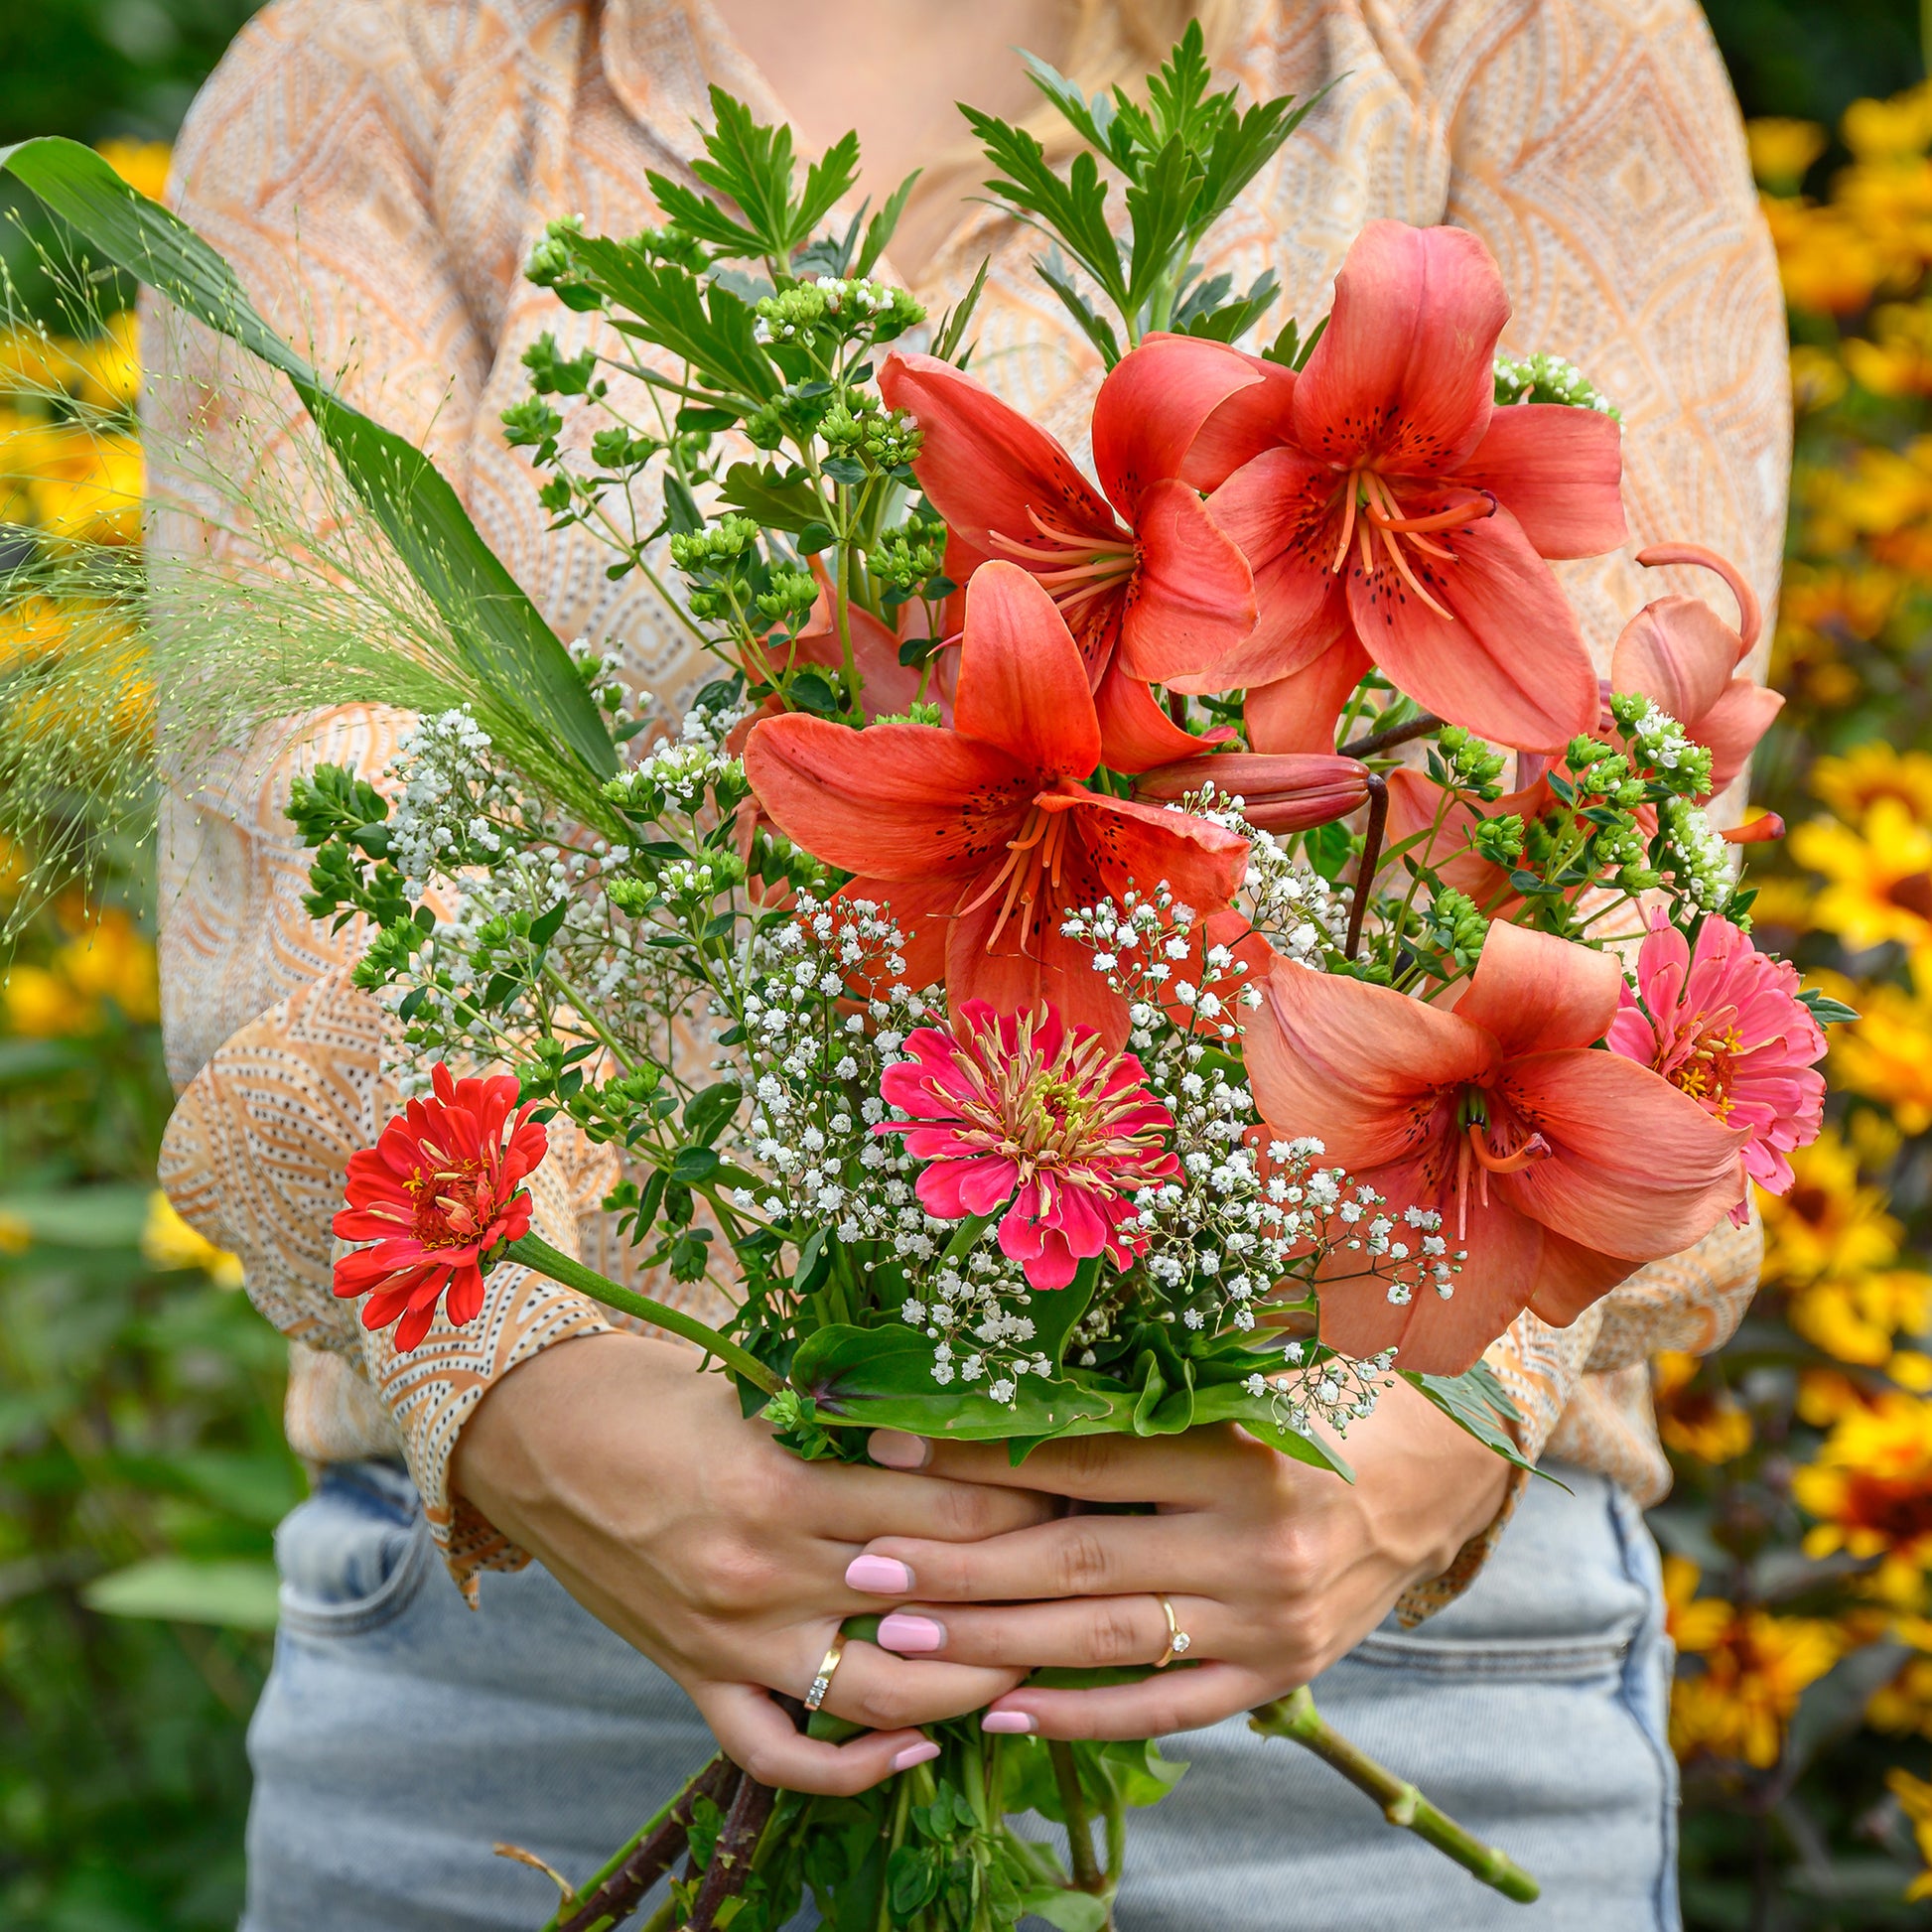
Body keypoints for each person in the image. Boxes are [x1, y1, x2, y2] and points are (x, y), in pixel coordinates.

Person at [150, 1, 1786, 1927]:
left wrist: (1426, 1433)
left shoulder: (1512, 28)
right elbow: (302, 844)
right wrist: (534, 1394)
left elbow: (1624, 840)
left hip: (1371, 1654)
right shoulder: (383, 57)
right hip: (551, 1651)